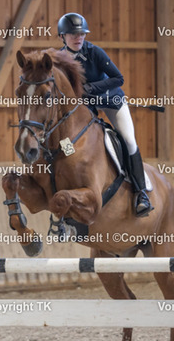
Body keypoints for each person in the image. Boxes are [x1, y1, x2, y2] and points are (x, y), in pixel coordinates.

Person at [57, 12, 153, 217]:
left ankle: (141, 193)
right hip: (86, 107)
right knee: (66, 140)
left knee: (128, 140)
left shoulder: (94, 52)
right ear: (62, 36)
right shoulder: (59, 59)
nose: (78, 38)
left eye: (81, 34)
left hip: (111, 100)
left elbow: (118, 78)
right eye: (73, 34)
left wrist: (92, 87)